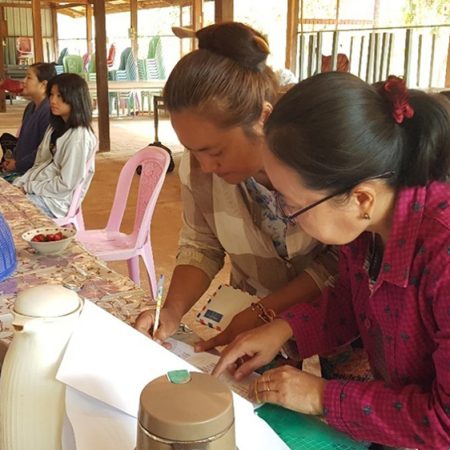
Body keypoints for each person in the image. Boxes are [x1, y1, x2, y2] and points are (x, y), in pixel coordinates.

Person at [213, 72, 450, 449]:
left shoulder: (442, 256)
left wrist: (322, 396)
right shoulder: (367, 225)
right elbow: (353, 301)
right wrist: (283, 330)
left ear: (360, 199)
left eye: (291, 204)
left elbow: (444, 422)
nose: (285, 213)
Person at [135, 22, 338, 353]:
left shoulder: (315, 159)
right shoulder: (200, 167)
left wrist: (264, 311)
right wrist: (171, 311)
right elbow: (201, 244)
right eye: (193, 150)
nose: (205, 167)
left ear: (262, 118)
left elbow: (341, 261)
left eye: (215, 152)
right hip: (246, 318)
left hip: (332, 321)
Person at [14, 73, 97, 219]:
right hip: (38, 191)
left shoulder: (79, 137)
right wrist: (19, 184)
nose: (53, 100)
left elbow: (65, 185)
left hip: (55, 203)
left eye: (60, 96)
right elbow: (39, 165)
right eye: (51, 95)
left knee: (6, 213)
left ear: (75, 98)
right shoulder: (54, 128)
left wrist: (28, 187)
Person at [0, 63, 56, 182]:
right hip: (20, 167)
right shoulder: (31, 107)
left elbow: (44, 152)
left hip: (32, 175)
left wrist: (17, 165)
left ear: (43, 84)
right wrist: (13, 160)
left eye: (29, 77)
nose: (24, 81)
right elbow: (23, 143)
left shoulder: (47, 111)